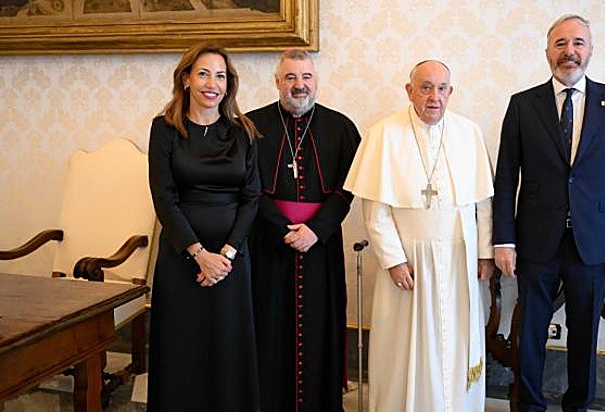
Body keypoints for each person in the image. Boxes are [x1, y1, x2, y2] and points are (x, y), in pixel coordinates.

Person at [492, 14, 605, 412]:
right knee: (530, 331)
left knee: (584, 333)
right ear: (547, 52)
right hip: (535, 240)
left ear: (591, 50)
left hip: (592, 241)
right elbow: (506, 177)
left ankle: (577, 406)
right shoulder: (522, 104)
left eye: (578, 42)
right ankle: (529, 406)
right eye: (560, 43)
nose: (569, 51)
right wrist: (503, 240)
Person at [343, 60, 495, 412]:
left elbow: (483, 203)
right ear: (409, 91)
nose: (434, 97)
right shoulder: (384, 134)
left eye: (441, 88)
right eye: (425, 88)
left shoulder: (469, 132)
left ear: (450, 92)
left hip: (459, 258)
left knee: (457, 339)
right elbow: (375, 209)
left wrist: (485, 252)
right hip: (408, 261)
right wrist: (393, 260)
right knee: (404, 344)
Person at [147, 42, 262, 412]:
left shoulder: (244, 131)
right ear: (186, 79)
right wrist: (199, 255)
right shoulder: (164, 129)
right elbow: (164, 198)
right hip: (181, 256)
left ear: (229, 85)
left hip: (231, 261)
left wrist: (226, 255)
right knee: (182, 347)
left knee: (228, 346)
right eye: (203, 74)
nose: (213, 84)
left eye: (221, 76)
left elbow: (252, 197)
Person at [246, 48, 360, 411]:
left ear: (316, 81)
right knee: (269, 326)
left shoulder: (341, 128)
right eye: (291, 77)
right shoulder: (250, 126)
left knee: (319, 326)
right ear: (277, 81)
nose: (299, 85)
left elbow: (347, 189)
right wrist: (282, 228)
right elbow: (247, 188)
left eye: (306, 77)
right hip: (268, 245)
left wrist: (316, 230)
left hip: (320, 246)